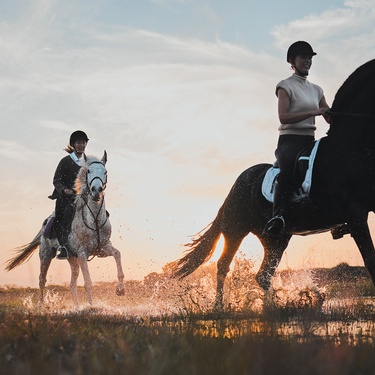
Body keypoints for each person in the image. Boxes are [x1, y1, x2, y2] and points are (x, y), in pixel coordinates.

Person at [263, 41, 330, 236]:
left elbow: (326, 113)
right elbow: (283, 117)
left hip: (310, 140)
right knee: (288, 171)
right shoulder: (285, 86)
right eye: (303, 57)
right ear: (292, 61)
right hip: (289, 141)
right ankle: (278, 215)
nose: (307, 61)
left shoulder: (317, 89)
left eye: (310, 58)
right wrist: (315, 111)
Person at [49, 130, 89, 259]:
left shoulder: (87, 163)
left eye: (83, 143)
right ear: (73, 144)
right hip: (66, 198)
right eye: (79, 143)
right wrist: (64, 189)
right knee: (64, 216)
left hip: (82, 197)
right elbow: (56, 180)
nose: (81, 145)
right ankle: (63, 246)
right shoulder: (65, 161)